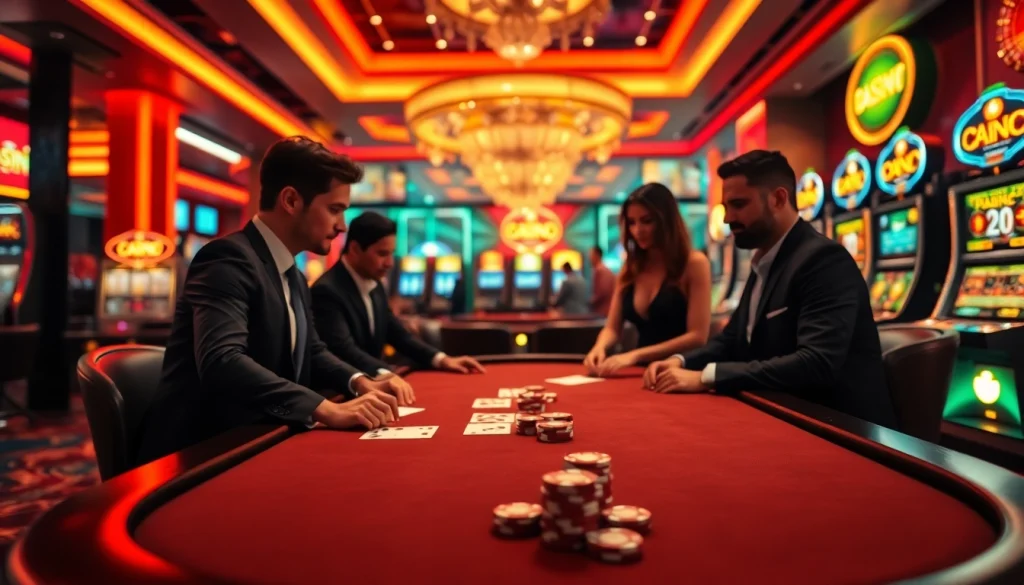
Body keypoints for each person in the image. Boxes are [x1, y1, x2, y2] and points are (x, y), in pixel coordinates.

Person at [137, 137, 409, 466]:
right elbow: (222, 360)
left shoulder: (292, 272)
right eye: (334, 209)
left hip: (261, 437)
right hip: (202, 454)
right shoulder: (226, 260)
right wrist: (325, 409)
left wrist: (361, 381)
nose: (341, 226)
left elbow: (312, 350)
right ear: (291, 200)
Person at [642, 150, 897, 428]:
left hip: (840, 429)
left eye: (738, 204)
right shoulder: (765, 260)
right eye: (726, 206)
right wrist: (680, 361)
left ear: (778, 199)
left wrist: (707, 376)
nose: (728, 218)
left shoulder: (823, 260)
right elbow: (730, 341)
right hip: (782, 413)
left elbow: (817, 363)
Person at [311, 211, 485, 376]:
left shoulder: (375, 284)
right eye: (382, 254)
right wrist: (388, 372)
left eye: (391, 254)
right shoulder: (327, 291)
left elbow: (398, 335)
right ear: (355, 249)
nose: (389, 263)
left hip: (372, 387)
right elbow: (344, 350)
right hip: (340, 395)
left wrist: (441, 359)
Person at [583, 183, 712, 376]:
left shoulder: (694, 263)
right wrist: (599, 347)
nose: (637, 230)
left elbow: (697, 336)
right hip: (641, 374)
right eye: (632, 222)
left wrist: (634, 355)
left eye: (646, 221)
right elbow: (612, 328)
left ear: (666, 221)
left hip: (683, 373)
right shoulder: (631, 267)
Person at [588, 245, 615, 316]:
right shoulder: (605, 269)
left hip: (602, 311)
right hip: (608, 310)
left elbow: (602, 292)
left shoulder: (599, 270)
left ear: (597, 255)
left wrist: (591, 302)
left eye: (591, 255)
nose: (589, 258)